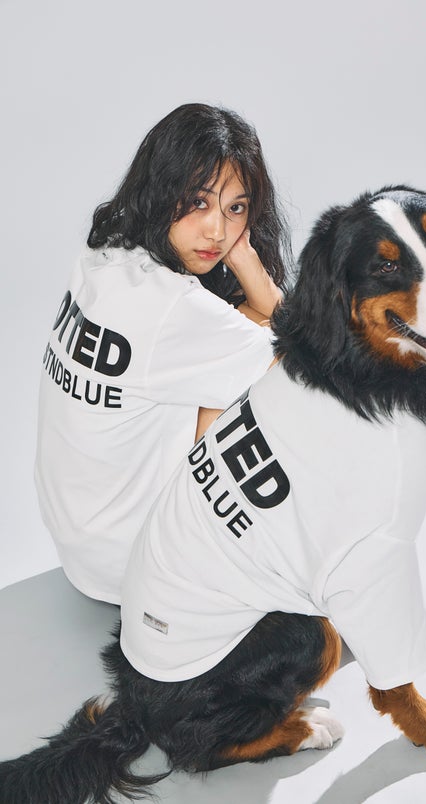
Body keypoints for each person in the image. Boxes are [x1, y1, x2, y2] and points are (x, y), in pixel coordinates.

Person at [34, 103, 291, 605]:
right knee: (282, 395)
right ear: (162, 188)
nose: (217, 232)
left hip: (80, 546)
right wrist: (252, 271)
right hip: (135, 568)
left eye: (236, 209)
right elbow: (309, 361)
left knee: (245, 345)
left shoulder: (102, 254)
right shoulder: (173, 307)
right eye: (198, 201)